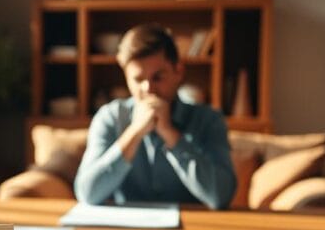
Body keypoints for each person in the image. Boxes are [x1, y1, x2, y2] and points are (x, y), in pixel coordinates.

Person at [74, 24, 237, 209]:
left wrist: (169, 132)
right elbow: (87, 193)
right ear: (126, 77)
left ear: (178, 71)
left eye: (158, 77)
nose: (148, 89)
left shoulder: (209, 120)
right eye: (138, 80)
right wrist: (134, 133)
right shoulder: (109, 118)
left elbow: (220, 196)